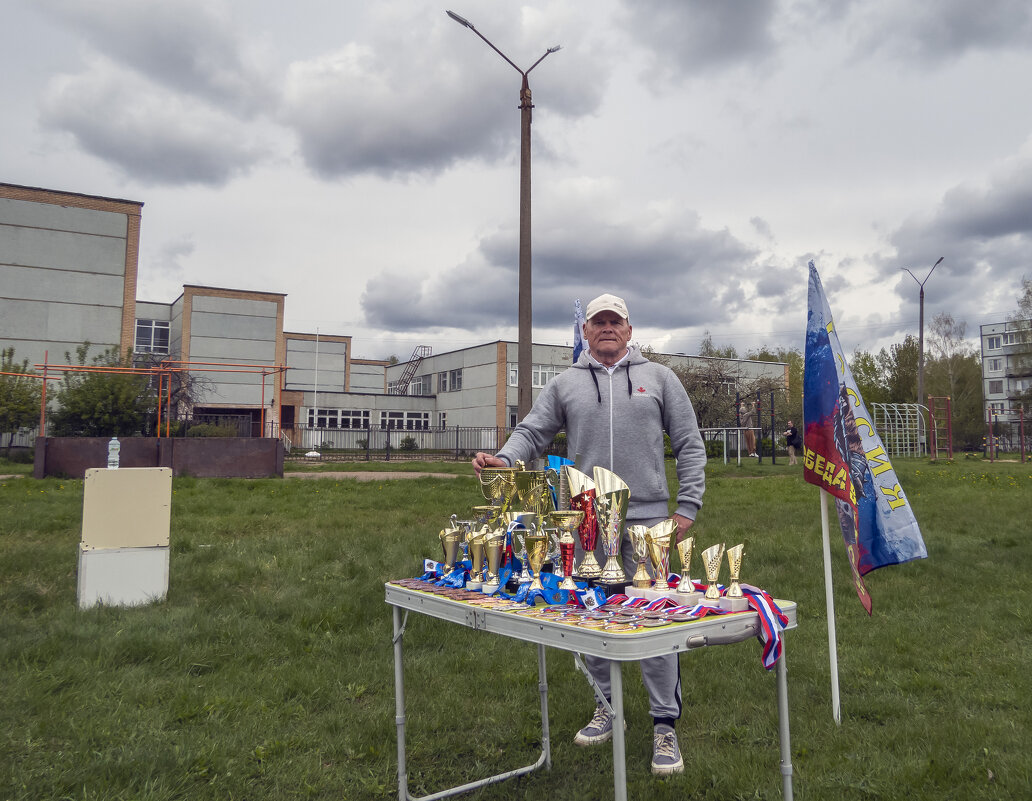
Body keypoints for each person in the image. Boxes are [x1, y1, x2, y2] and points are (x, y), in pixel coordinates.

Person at [472, 293, 706, 776]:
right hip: (588, 521)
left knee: (655, 621)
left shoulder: (660, 379)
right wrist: (506, 461)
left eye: (613, 321)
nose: (605, 328)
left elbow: (688, 443)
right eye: (597, 322)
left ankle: (665, 725)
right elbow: (533, 432)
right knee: (593, 619)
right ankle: (607, 706)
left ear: (629, 328)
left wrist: (686, 506)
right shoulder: (565, 384)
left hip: (647, 522)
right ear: (586, 332)